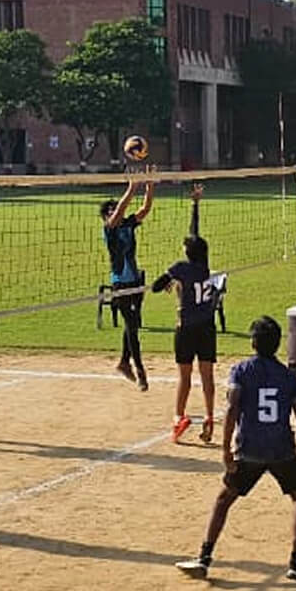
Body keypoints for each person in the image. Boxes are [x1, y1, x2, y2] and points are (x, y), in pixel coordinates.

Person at [174, 316, 296, 581]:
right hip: (281, 450)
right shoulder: (289, 377)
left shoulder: (241, 371)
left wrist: (226, 450)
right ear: (278, 344)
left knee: (224, 500)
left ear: (253, 343)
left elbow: (232, 410)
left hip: (249, 448)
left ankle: (205, 557)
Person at [152, 184, 216, 443]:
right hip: (207, 327)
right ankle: (210, 417)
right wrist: (195, 205)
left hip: (187, 328)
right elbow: (195, 236)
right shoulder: (204, 266)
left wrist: (169, 281)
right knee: (207, 375)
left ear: (186, 253)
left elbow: (156, 286)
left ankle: (179, 418)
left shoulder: (181, 268)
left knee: (185, 377)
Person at [102, 179, 156, 390]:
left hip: (136, 280)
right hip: (120, 284)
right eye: (112, 210)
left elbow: (145, 209)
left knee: (132, 323)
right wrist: (132, 188)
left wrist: (150, 187)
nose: (116, 211)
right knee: (132, 327)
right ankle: (140, 371)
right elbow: (120, 211)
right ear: (107, 215)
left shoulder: (127, 224)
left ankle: (124, 362)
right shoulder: (109, 229)